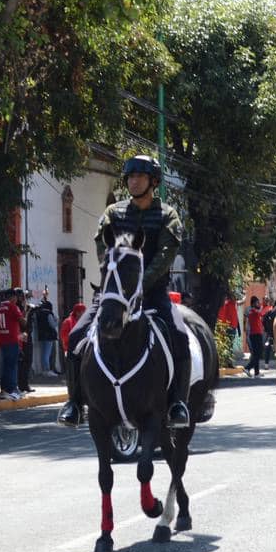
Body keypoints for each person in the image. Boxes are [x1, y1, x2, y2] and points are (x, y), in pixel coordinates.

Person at [57, 155, 191, 427]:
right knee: (75, 335)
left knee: (179, 335)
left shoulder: (168, 216)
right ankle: (73, 403)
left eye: (139, 177)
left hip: (152, 294)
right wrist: (117, 282)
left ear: (153, 182)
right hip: (113, 294)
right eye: (130, 177)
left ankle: (178, 403)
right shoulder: (113, 214)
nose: (133, 181)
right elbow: (102, 249)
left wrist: (139, 285)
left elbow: (165, 256)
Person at [0, 290, 25, 400]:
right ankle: (13, 389)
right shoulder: (13, 307)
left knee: (4, 366)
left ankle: (4, 390)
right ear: (12, 297)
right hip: (12, 340)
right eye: (15, 297)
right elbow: (22, 321)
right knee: (12, 366)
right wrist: (26, 312)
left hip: (2, 340)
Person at [33, 289, 59, 376]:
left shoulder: (39, 313)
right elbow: (53, 325)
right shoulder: (48, 314)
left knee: (43, 353)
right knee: (47, 353)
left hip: (41, 335)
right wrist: (57, 320)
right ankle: (46, 370)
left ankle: (44, 369)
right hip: (49, 335)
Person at [244, 295, 266, 378]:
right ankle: (247, 367)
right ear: (253, 304)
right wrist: (263, 305)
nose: (259, 304)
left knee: (256, 354)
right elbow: (261, 313)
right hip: (256, 334)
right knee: (258, 354)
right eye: (257, 302)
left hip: (255, 334)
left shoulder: (252, 311)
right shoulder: (253, 311)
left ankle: (257, 373)